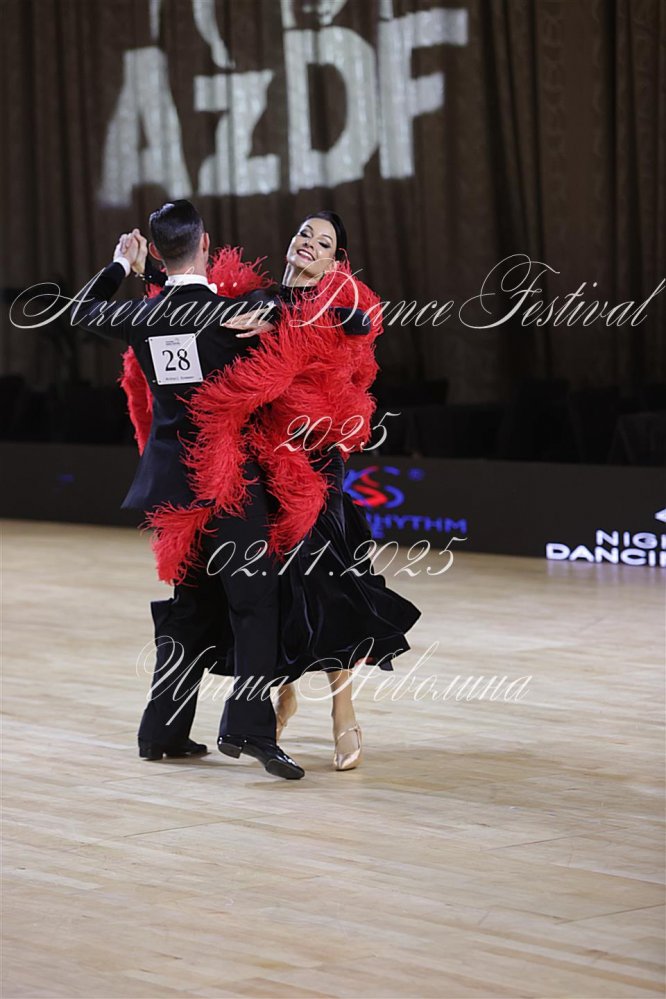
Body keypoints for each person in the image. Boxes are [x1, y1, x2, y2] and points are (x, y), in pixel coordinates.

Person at [133, 211, 421, 771]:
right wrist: (154, 270)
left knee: (330, 586)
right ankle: (272, 703)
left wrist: (289, 325)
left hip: (313, 465)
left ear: (337, 260)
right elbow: (191, 309)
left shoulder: (338, 302)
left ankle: (341, 712)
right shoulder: (254, 300)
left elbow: (356, 329)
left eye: (324, 241)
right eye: (304, 234)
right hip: (257, 465)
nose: (309, 243)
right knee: (272, 593)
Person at [67, 200, 306, 781]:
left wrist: (122, 265)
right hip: (227, 482)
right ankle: (248, 728)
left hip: (173, 486)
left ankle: (163, 731)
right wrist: (273, 308)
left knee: (191, 605)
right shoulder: (232, 314)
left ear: (155, 250)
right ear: (206, 245)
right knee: (255, 602)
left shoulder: (142, 317)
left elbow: (80, 312)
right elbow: (302, 310)